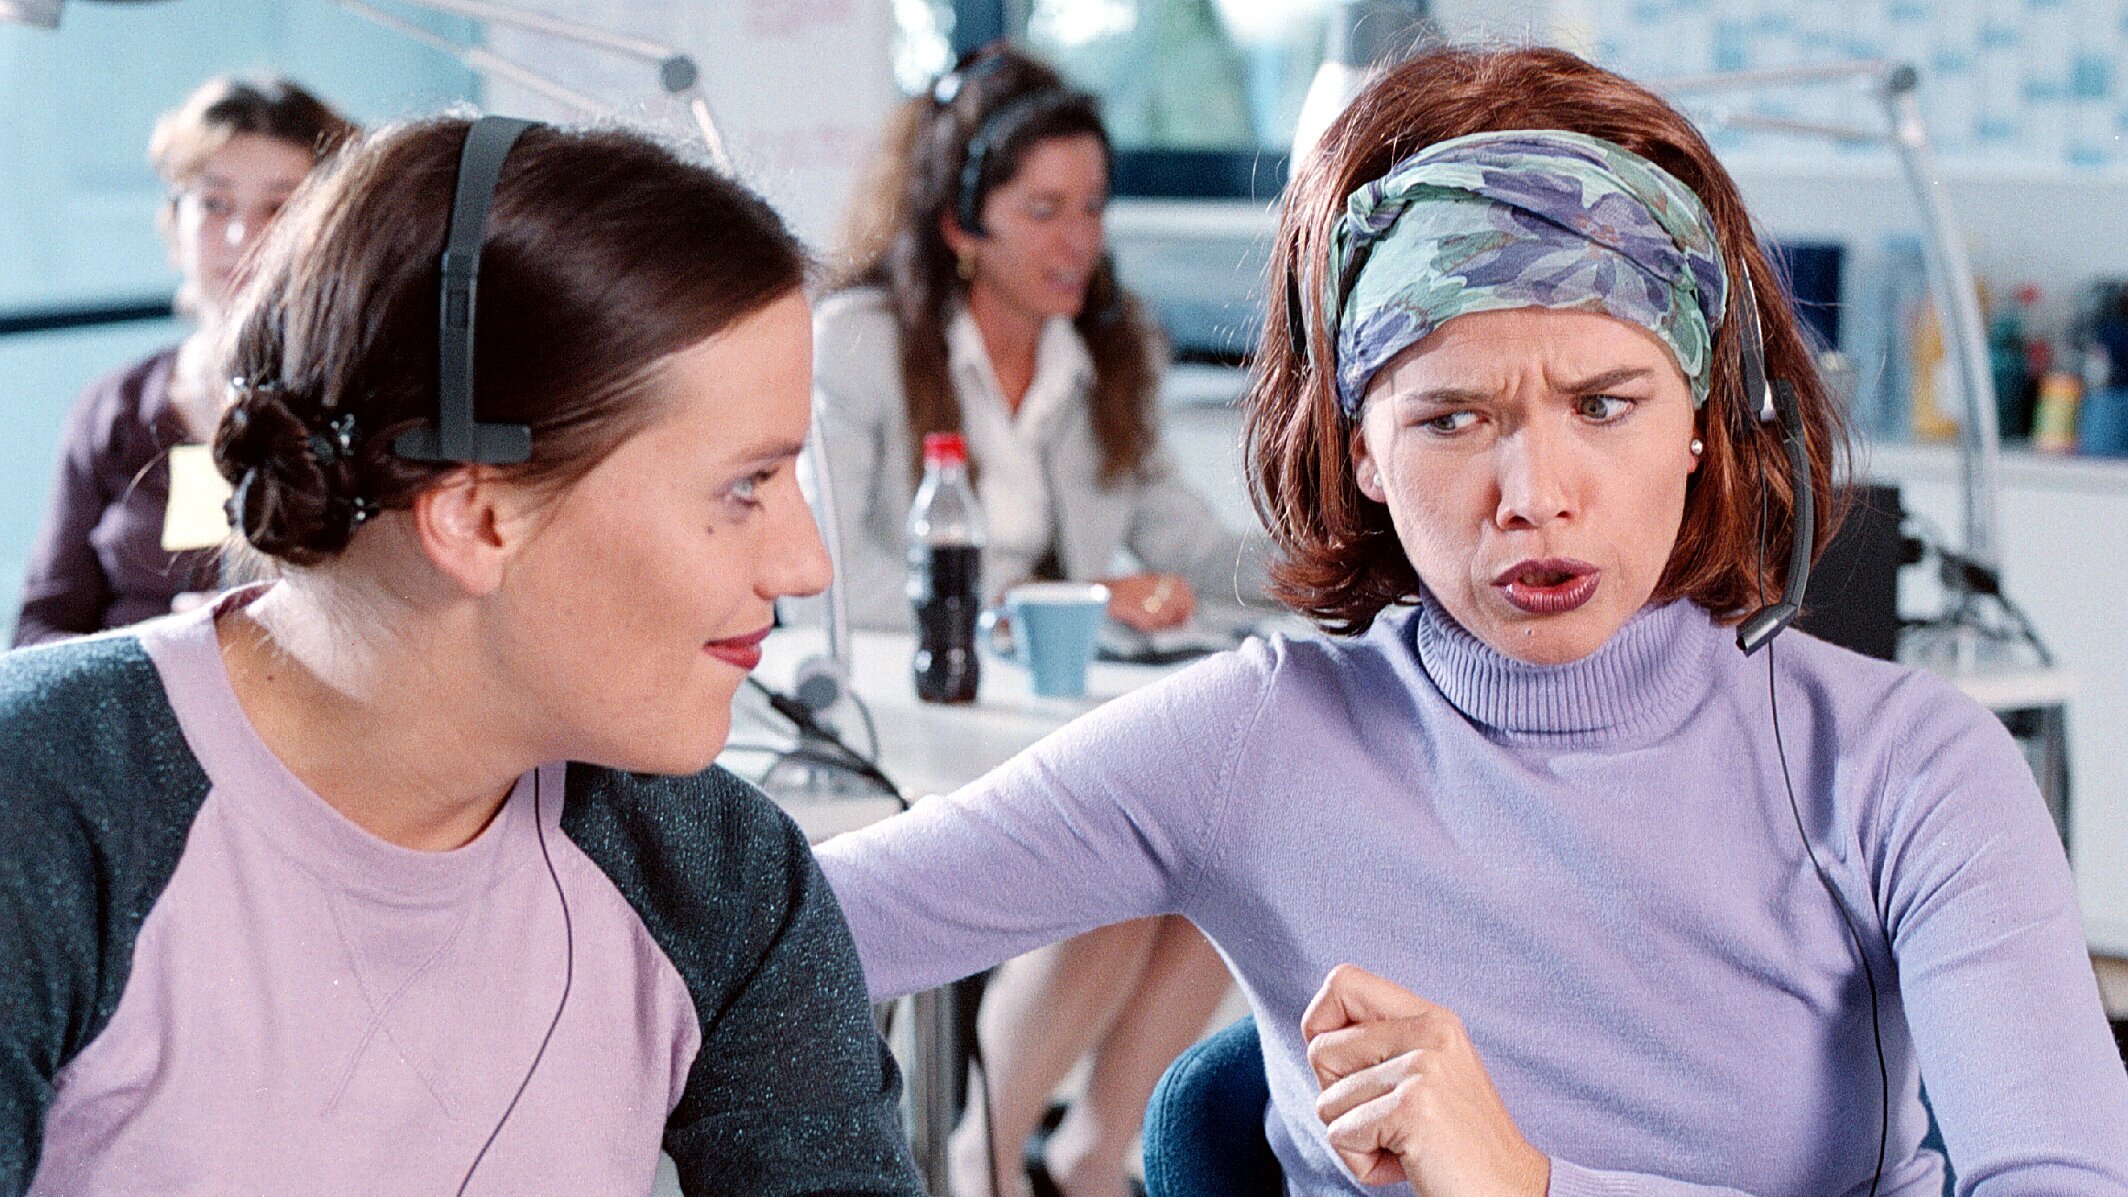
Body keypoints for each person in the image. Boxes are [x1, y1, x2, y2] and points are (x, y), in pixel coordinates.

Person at [816, 45, 2128, 1196]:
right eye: (1452, 418)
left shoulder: (1910, 769)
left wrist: (1527, 1181)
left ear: (1703, 422)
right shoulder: (1250, 739)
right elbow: (780, 931)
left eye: (1603, 404)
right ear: (1362, 452)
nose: (1534, 496)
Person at [0, 115, 923, 1197]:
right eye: (745, 486)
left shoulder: (723, 876)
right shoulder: (44, 813)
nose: (807, 565)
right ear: (478, 517)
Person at [814, 44, 1262, 1197]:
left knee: (1220, 847)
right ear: (963, 225)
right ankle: (982, 1162)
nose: (1079, 240)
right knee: (1120, 853)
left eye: (1093, 207)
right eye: (1045, 209)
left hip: (1047, 709)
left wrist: (1358, 557)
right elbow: (832, 577)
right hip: (919, 708)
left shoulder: (1109, 355)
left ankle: (1092, 1159)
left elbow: (1188, 543)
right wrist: (1028, 607)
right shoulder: (862, 343)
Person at [11, 76, 355, 646]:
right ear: (175, 221)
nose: (243, 235)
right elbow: (37, 633)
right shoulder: (114, 411)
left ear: (330, 234)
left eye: (280, 207)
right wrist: (157, 653)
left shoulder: (361, 404)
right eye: (215, 203)